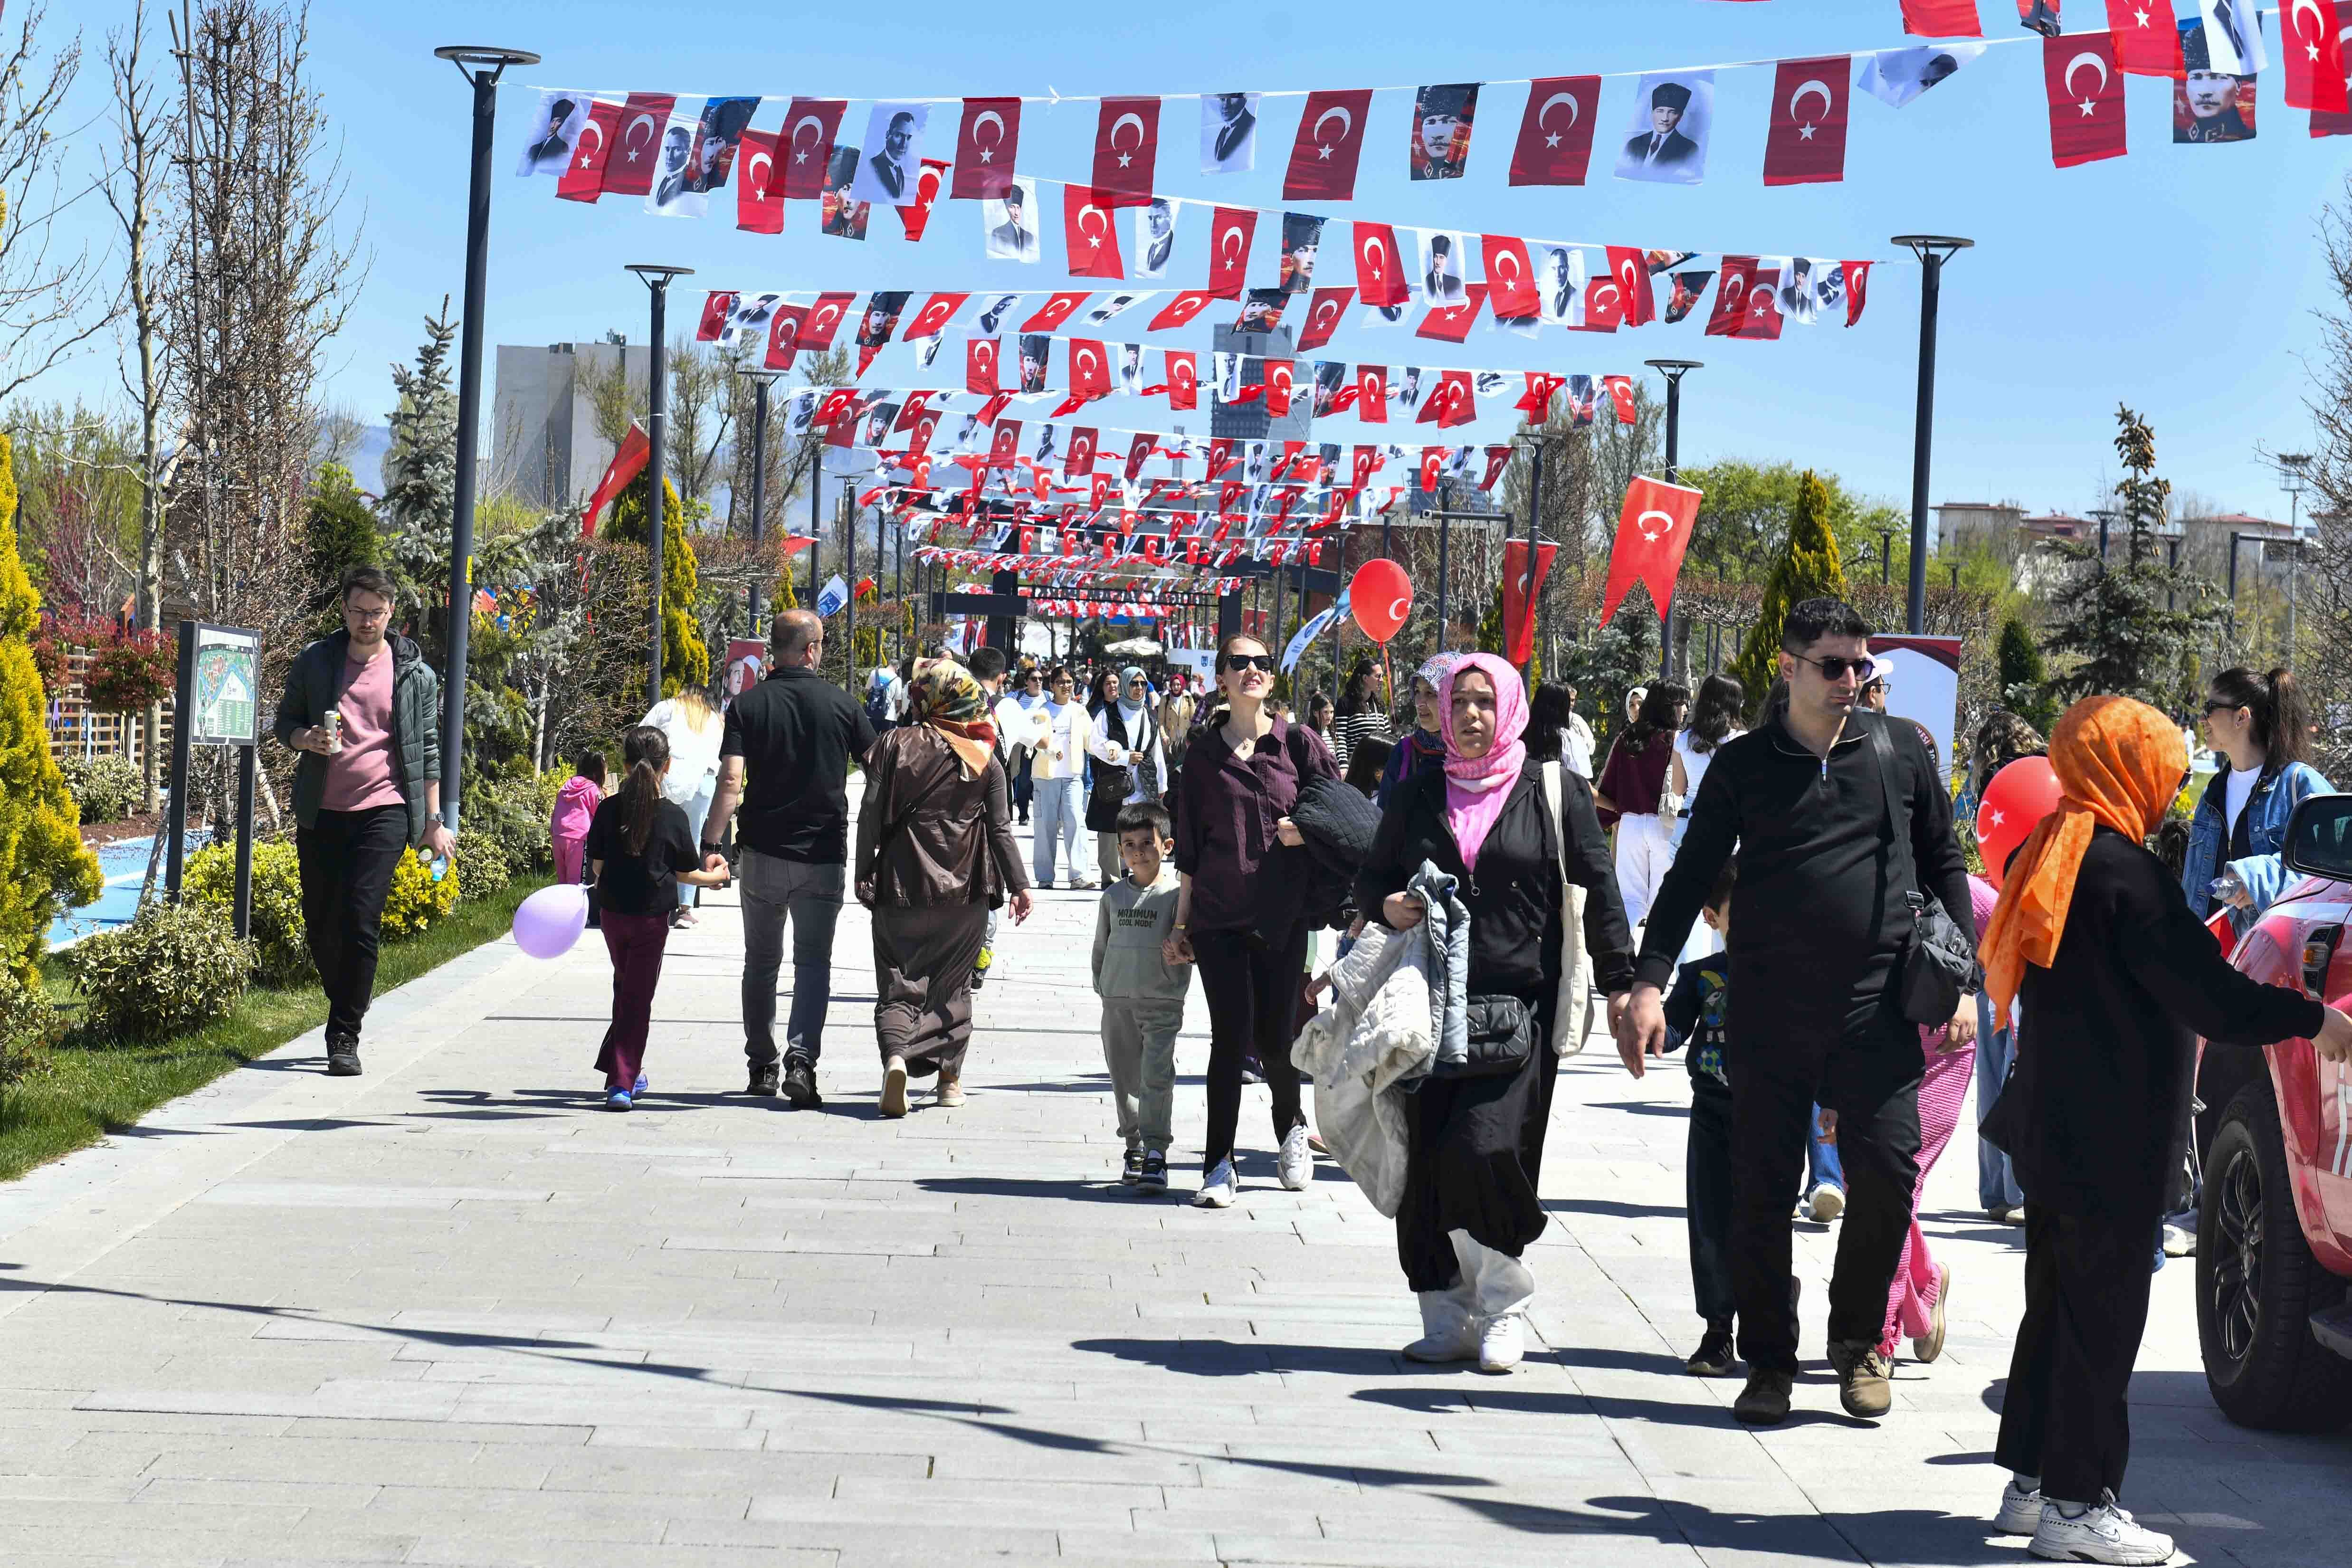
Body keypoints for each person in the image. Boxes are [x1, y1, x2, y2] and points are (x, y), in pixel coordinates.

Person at [1978, 694, 2352, 1564]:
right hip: (2108, 1132)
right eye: (2165, 776)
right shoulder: (2124, 877)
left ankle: (2031, 1483)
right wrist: (2309, 1022)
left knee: (2056, 1310)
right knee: (2102, 1320)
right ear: (2126, 769)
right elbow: (2209, 993)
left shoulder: (2055, 849)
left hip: (2052, 1122)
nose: (2171, 794)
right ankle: (2079, 1502)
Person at [1619, 597, 1977, 1427]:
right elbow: (1687, 876)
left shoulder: (1897, 753)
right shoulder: (1744, 766)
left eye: (1861, 665)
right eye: (1833, 665)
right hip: (1769, 1009)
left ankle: (1858, 1343)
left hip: (1876, 1008)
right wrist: (1646, 980)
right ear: (1788, 667)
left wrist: (1962, 978)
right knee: (1761, 1189)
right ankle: (1770, 1361)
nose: (1852, 680)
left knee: (1887, 1178)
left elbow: (1942, 859)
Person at [1356, 653, 1635, 1372]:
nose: (1472, 715)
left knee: (1487, 1150)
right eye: (1459, 703)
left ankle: (1503, 1304)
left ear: (1507, 708)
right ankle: (1443, 1312)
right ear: (1441, 713)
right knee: (1426, 1162)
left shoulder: (1553, 790)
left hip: (1518, 1011)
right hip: (1424, 1008)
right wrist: (1385, 905)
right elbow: (1370, 881)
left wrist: (1624, 984)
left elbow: (1598, 890)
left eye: (1485, 701)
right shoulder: (1418, 793)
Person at [1167, 633, 1339, 1207]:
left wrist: (1304, 830)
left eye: (1261, 663)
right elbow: (1188, 849)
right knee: (1228, 1039)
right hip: (1218, 915)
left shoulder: (1300, 746)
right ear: (1220, 678)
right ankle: (1219, 1164)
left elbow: (1339, 814)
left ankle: (1291, 1128)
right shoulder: (1201, 756)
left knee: (1276, 1037)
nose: (1251, 671)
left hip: (1282, 915)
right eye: (1238, 663)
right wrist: (1180, 923)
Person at [273, 566, 456, 1078]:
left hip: (385, 808)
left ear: (391, 612)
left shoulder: (412, 673)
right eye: (358, 611)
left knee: (360, 916)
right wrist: (302, 740)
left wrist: (433, 819)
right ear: (344, 610)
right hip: (321, 810)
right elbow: (284, 720)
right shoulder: (316, 661)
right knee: (320, 921)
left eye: (376, 612)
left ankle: (344, 1032)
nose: (366, 621)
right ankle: (350, 992)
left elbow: (427, 750)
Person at [703, 608, 878, 1108]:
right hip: (823, 853)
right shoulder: (843, 705)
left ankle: (762, 1064)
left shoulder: (748, 706)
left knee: (760, 962)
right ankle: (802, 1060)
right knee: (813, 964)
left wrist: (712, 843)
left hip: (761, 852)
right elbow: (881, 766)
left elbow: (731, 782)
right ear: (810, 649)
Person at [855, 658, 1032, 1118]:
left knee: (898, 982)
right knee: (954, 986)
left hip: (899, 884)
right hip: (966, 890)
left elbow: (869, 815)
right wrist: (1020, 885)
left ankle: (896, 1058)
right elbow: (1000, 830)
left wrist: (861, 869)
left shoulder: (892, 744)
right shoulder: (982, 756)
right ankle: (949, 1082)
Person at [586, 726, 733, 1111]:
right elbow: (686, 872)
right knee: (637, 997)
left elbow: (598, 866)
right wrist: (717, 879)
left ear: (624, 764)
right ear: (667, 765)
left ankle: (618, 1062)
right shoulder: (671, 816)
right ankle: (621, 1082)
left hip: (613, 915)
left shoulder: (607, 810)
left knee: (626, 987)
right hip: (652, 919)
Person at [2181, 665, 2330, 933]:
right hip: (2208, 963)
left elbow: (2331, 868)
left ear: (2242, 717)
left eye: (2210, 708)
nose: (2202, 720)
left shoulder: (2298, 784)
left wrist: (2256, 878)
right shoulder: (2211, 795)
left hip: (2271, 961)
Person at [1093, 801, 1189, 1196]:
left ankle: (1155, 1151)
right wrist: (1103, 985)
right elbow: (1102, 945)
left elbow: (1189, 945)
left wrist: (1182, 952)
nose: (1137, 852)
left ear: (1166, 845)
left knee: (1156, 1077)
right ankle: (1132, 1145)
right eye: (1128, 844)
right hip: (1117, 1003)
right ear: (1119, 850)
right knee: (1124, 1079)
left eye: (1146, 843)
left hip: (1161, 1002)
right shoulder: (1113, 897)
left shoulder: (1177, 896)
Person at [1666, 862, 1739, 1377]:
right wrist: (1644, 1028)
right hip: (1712, 1112)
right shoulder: (1700, 976)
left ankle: (1768, 1309)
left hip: (1772, 1117)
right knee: (1710, 1225)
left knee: (1763, 1223)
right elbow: (1671, 1028)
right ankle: (1717, 1332)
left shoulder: (1790, 974)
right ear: (1712, 917)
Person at [1594, 682, 1688, 933]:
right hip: (1664, 825)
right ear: (1669, 707)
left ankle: (1623, 962)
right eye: (1680, 704)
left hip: (1630, 827)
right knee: (1663, 902)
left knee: (1630, 902)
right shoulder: (1675, 740)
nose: (1685, 710)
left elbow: (1608, 785)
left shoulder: (1627, 738)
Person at [1669, 674, 1744, 955]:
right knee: (1725, 904)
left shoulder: (1684, 739)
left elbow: (1678, 789)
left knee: (1684, 906)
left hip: (1688, 823)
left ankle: (1684, 979)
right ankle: (1720, 977)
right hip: (1726, 828)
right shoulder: (1741, 740)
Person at [640, 687, 724, 928]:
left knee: (656, 835)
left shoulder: (668, 707)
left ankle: (654, 898)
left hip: (669, 776)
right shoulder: (714, 717)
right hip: (704, 781)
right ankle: (685, 909)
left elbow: (641, 733)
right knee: (692, 839)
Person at [1087, 666, 1165, 885]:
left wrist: (1162, 783)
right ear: (1125, 685)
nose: (1139, 688)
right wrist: (1123, 757)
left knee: (1138, 830)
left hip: (1142, 782)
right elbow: (1095, 744)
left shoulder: (1149, 715)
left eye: (1142, 684)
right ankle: (1111, 880)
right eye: (1134, 684)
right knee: (1109, 831)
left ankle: (1136, 874)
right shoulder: (1108, 713)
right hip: (1114, 781)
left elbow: (1155, 749)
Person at [967, 644, 1014, 992]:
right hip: (987, 814)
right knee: (987, 888)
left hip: (950, 817)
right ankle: (979, 956)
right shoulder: (1002, 709)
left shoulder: (947, 704)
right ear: (1001, 678)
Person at [1029, 666, 1094, 889]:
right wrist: (1049, 751)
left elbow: (1092, 741)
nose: (1066, 686)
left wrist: (1114, 752)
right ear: (1052, 686)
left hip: (1073, 777)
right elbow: (1034, 740)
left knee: (1076, 823)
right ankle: (1045, 878)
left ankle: (1078, 876)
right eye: (1061, 682)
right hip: (1045, 777)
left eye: (1069, 682)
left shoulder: (1080, 711)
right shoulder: (1042, 711)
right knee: (1045, 827)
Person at [1376, 656, 1455, 810]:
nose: (1419, 702)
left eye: (1431, 693)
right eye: (1417, 691)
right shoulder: (1405, 752)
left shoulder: (1476, 757)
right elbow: (1383, 817)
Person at [550, 750, 604, 895]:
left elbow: (554, 814)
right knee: (577, 884)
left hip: (558, 836)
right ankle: (578, 917)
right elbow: (602, 814)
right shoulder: (592, 789)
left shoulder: (565, 787)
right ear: (598, 771)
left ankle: (563, 914)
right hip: (579, 840)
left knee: (563, 883)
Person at [1622, 81, 1698, 171]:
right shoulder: (1634, 144)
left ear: (1680, 117)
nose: (1665, 118)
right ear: (1652, 113)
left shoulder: (1690, 149)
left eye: (1672, 112)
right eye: (1660, 111)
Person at [1330, 664, 1391, 775]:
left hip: (1380, 771)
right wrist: (1343, 766)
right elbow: (1340, 737)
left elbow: (1388, 736)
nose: (1382, 680)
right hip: (1356, 770)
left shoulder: (1379, 704)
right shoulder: (1345, 703)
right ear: (1365, 678)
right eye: (1378, 676)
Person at [1007, 665, 1047, 824]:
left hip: (1043, 745)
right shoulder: (1014, 697)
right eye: (1034, 679)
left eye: (1040, 679)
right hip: (1023, 746)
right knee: (1023, 780)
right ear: (1026, 682)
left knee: (1042, 780)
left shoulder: (1048, 698)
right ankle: (1023, 813)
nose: (1038, 682)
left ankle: (1044, 815)